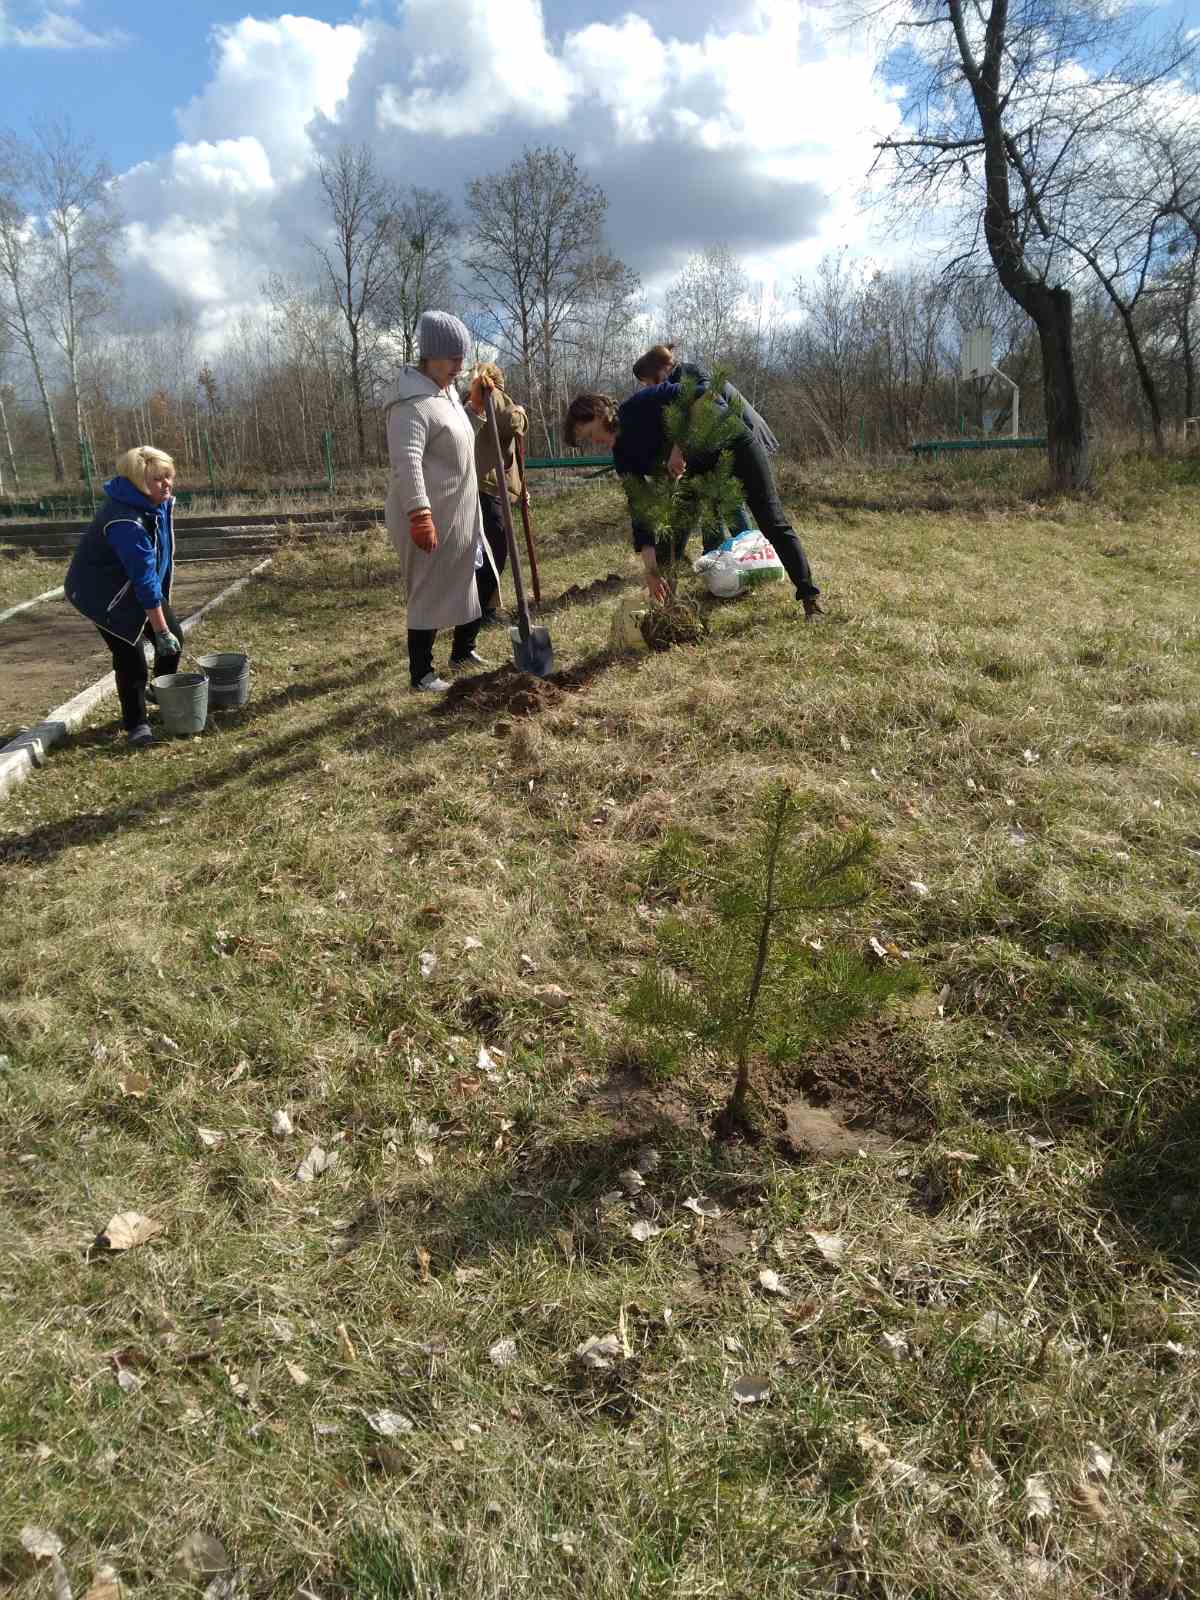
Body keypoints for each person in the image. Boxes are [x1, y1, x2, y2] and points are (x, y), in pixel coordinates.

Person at [564, 382, 823, 618]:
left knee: (771, 521)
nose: (594, 443)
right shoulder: (622, 456)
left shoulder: (641, 404)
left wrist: (678, 448)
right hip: (694, 471)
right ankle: (667, 613)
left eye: (588, 435)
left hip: (735, 445)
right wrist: (651, 571)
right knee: (670, 542)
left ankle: (810, 598)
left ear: (598, 413)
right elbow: (639, 511)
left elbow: (700, 392)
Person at [382, 311, 496, 692]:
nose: (459, 366)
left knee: (474, 576)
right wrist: (419, 514)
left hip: (458, 512)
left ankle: (462, 652)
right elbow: (406, 461)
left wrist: (475, 410)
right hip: (430, 515)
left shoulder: (442, 394)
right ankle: (421, 674)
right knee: (427, 589)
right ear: (429, 356)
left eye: (462, 358)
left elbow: (456, 436)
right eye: (452, 358)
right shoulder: (409, 404)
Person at [64, 445, 183, 748]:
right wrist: (160, 628)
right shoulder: (125, 521)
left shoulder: (155, 504)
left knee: (174, 640)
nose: (166, 484)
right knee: (131, 659)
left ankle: (159, 690)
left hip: (134, 585)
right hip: (104, 594)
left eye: (168, 476)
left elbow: (148, 573)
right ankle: (136, 724)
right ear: (138, 483)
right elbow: (142, 577)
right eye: (158, 480)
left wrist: (165, 631)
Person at [632, 343, 780, 455]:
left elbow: (708, 400)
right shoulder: (676, 378)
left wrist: (678, 448)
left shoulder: (687, 374)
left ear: (658, 370)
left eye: (646, 382)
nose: (647, 387)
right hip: (738, 434)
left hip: (748, 431)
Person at [467, 362, 527, 627]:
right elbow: (511, 422)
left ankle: (484, 609)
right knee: (495, 551)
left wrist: (520, 488)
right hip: (488, 488)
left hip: (484, 487)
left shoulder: (471, 400)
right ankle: (482, 612)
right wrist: (521, 412)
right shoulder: (492, 396)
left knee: (488, 552)